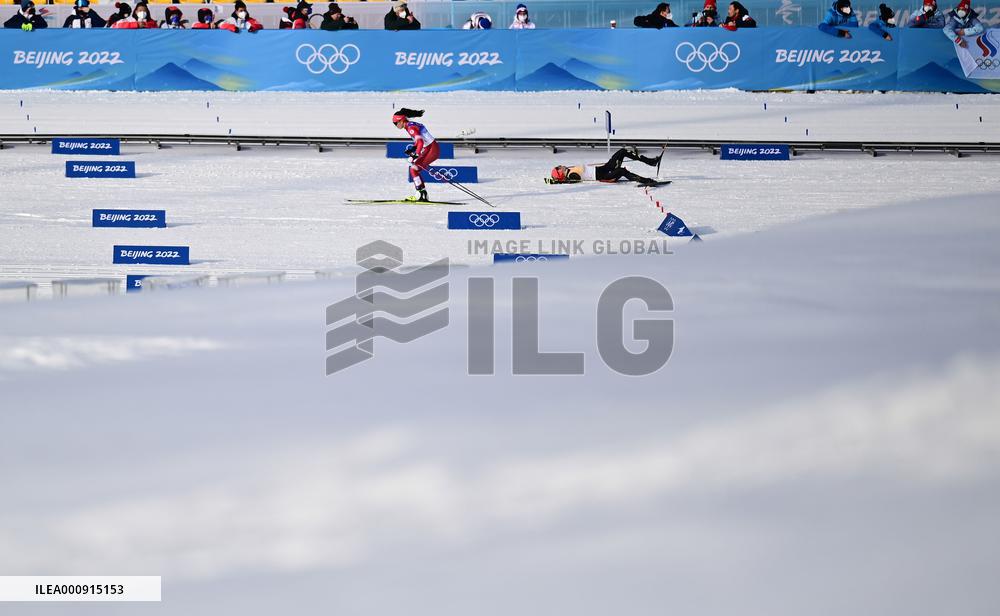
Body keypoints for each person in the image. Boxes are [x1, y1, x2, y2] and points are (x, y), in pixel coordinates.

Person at [548, 147, 664, 186]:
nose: (560, 166)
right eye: (559, 167)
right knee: (622, 171)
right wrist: (560, 181)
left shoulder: (569, 169)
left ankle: (650, 162)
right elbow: (574, 180)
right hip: (606, 176)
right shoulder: (571, 174)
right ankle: (646, 181)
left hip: (605, 168)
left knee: (622, 151)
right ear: (560, 173)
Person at [393, 109, 439, 203]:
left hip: (432, 149)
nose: (395, 125)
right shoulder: (410, 125)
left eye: (395, 123)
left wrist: (416, 155)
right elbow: (420, 141)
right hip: (429, 148)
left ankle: (421, 194)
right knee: (414, 169)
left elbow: (420, 141)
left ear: (401, 120)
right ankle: (422, 194)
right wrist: (413, 148)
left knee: (414, 169)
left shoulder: (410, 128)